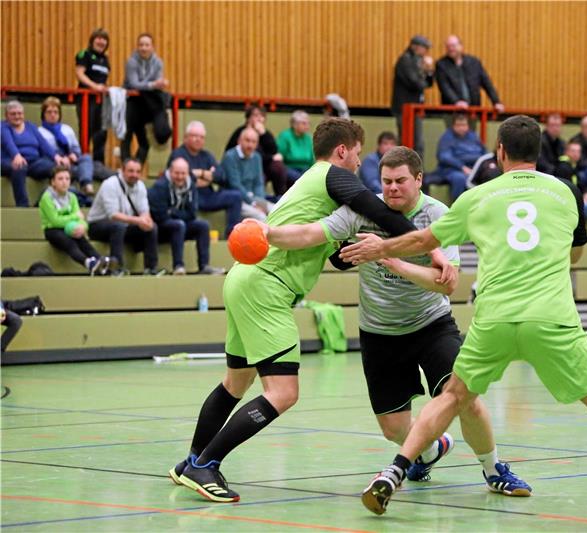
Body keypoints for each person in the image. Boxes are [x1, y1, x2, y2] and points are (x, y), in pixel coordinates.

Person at [342, 115, 587, 532]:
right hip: (551, 320)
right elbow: (575, 256)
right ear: (540, 152)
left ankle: (395, 470)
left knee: (452, 397)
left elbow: (423, 241)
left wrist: (381, 248)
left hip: (495, 318)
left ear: (499, 152)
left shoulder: (477, 196)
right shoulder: (567, 192)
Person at [170, 118, 456, 503]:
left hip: (244, 281)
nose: (358, 165)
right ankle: (208, 464)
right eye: (356, 155)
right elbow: (378, 208)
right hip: (267, 288)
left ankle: (191, 462)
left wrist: (359, 251)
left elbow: (329, 249)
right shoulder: (329, 176)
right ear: (342, 151)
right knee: (283, 392)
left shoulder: (311, 191)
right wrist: (433, 248)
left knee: (235, 382)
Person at [264, 145, 531, 493]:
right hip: (380, 331)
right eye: (386, 181)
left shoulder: (438, 214)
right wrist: (266, 232)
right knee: (392, 427)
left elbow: (445, 283)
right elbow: (312, 233)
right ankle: (431, 449)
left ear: (418, 180)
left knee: (465, 398)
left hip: (432, 325)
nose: (392, 188)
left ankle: (493, 468)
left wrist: (389, 258)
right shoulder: (363, 210)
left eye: (400, 181)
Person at [148, 158, 225, 275]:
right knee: (178, 225)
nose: (180, 177)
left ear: (188, 173)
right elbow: (160, 215)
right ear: (170, 171)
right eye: (177, 173)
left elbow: (192, 213)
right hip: (161, 228)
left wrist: (172, 212)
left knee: (202, 225)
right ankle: (178, 266)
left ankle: (204, 266)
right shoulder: (159, 186)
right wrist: (179, 215)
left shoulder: (191, 185)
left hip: (180, 223)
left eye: (183, 173)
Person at [168, 121, 243, 237]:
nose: (198, 140)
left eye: (201, 137)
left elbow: (221, 175)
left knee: (236, 196)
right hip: (188, 198)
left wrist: (203, 175)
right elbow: (181, 180)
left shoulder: (207, 155)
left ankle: (232, 235)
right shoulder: (178, 154)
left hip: (209, 196)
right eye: (194, 136)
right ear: (186, 137)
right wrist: (204, 174)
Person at [87, 158, 160, 275]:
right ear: (122, 171)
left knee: (152, 227)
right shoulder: (110, 184)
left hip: (124, 224)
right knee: (118, 226)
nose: (134, 175)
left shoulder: (140, 186)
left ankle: (151, 268)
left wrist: (147, 221)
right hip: (98, 225)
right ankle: (116, 267)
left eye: (137, 172)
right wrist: (139, 220)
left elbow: (144, 211)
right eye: (131, 171)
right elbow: (113, 215)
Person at [39, 165, 109, 275]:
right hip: (52, 230)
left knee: (82, 240)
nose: (64, 182)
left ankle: (100, 260)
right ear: (53, 182)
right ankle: (88, 263)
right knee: (69, 242)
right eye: (60, 179)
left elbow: (81, 219)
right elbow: (55, 220)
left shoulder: (72, 197)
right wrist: (75, 217)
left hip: (69, 227)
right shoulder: (46, 198)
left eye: (67, 179)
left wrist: (82, 227)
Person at [121, 33, 171, 164]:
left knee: (146, 142)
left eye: (147, 45)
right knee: (127, 135)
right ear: (137, 47)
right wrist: (153, 84)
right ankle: (126, 167)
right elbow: (133, 84)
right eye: (141, 45)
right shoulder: (131, 62)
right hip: (132, 102)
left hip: (148, 102)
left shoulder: (158, 62)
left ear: (152, 47)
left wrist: (150, 84)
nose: (143, 48)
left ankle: (136, 169)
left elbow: (149, 83)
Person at [435, 34, 504, 127]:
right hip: (452, 111)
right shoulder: (441, 64)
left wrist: (496, 102)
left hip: (472, 110)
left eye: (453, 46)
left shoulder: (474, 62)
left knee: (470, 137)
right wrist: (456, 101)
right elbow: (444, 87)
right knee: (453, 138)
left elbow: (486, 83)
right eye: (448, 46)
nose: (451, 49)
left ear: (461, 46)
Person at [1, 100, 56, 207]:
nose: (17, 116)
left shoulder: (31, 126)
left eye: (20, 113)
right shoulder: (3, 127)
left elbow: (43, 144)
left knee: (55, 168)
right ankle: (23, 206)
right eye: (13, 114)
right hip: (9, 160)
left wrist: (56, 157)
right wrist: (16, 155)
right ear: (6, 116)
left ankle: (44, 202)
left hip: (33, 162)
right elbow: (8, 143)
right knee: (19, 166)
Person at [225, 105, 287, 198]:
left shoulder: (265, 133)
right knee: (260, 177)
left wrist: (263, 134)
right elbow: (241, 153)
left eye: (262, 116)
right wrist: (271, 158)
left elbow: (274, 151)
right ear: (248, 118)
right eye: (255, 115)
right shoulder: (241, 132)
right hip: (245, 168)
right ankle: (257, 198)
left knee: (279, 167)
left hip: (263, 165)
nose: (259, 119)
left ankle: (280, 198)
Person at [38, 97, 94, 194]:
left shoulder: (67, 129)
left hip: (69, 162)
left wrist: (73, 156)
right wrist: (60, 159)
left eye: (56, 112)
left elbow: (76, 150)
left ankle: (86, 184)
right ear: (43, 114)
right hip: (53, 163)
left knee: (86, 158)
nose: (53, 115)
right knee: (79, 170)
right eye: (49, 112)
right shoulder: (39, 132)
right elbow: (42, 152)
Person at [391, 35, 435, 160]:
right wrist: (423, 72)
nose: (426, 51)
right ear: (414, 46)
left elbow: (429, 83)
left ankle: (417, 173)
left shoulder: (417, 61)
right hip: (405, 108)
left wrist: (429, 70)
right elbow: (415, 83)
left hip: (416, 108)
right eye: (424, 48)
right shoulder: (405, 60)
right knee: (407, 142)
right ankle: (406, 172)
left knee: (418, 143)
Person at [75, 28, 110, 168]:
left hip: (101, 101)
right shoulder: (85, 55)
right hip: (86, 99)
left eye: (104, 39)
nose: (101, 41)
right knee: (86, 131)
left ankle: (99, 165)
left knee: (101, 133)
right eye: (98, 38)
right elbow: (80, 74)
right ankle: (83, 164)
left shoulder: (105, 59)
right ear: (92, 40)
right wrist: (94, 86)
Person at [433, 113, 487, 201]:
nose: (461, 128)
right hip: (452, 169)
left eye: (464, 125)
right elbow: (444, 157)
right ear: (453, 126)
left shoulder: (473, 136)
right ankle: (456, 206)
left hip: (474, 167)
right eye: (458, 125)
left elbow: (484, 151)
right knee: (460, 178)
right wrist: (462, 167)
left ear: (468, 126)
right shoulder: (447, 137)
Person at [220, 127, 268, 221]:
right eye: (247, 140)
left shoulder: (257, 157)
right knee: (262, 217)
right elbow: (235, 185)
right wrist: (253, 203)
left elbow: (258, 183)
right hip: (237, 199)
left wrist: (260, 202)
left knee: (276, 211)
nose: (250, 145)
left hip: (253, 199)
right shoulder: (230, 157)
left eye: (254, 142)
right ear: (239, 141)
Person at [276, 110, 314, 185]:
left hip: (306, 169)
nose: (307, 126)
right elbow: (279, 157)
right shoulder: (285, 136)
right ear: (294, 124)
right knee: (301, 180)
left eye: (308, 123)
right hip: (289, 168)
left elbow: (312, 159)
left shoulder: (308, 138)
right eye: (304, 123)